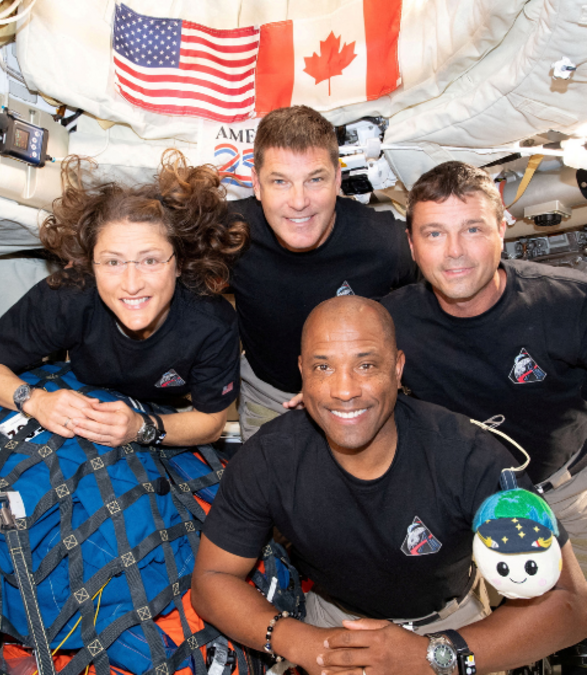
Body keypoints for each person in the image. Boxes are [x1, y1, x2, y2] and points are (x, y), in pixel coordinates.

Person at [192, 295, 587, 673]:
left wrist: (435, 656)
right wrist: (298, 641)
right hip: (332, 627)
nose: (344, 390)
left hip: (455, 626)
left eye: (366, 366)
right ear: (302, 372)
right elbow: (212, 580)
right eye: (323, 367)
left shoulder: (470, 456)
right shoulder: (268, 458)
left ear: (398, 369)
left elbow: (571, 604)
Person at [383, 161, 587, 669]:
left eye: (472, 229)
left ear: (502, 228)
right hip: (465, 508)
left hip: (566, 492)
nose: (454, 252)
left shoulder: (567, 303)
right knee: (498, 644)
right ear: (412, 245)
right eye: (434, 233)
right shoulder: (387, 321)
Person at [0, 149, 244, 448]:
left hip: (162, 415)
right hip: (79, 394)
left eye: (150, 261)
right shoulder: (67, 296)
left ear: (179, 264)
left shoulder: (212, 323)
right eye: (113, 262)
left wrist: (141, 427)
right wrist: (34, 401)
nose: (131, 284)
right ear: (91, 266)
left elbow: (210, 422)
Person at [228, 106, 415, 440]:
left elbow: (444, 304)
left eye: (315, 179)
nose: (299, 201)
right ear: (256, 185)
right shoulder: (229, 234)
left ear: (338, 180)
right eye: (280, 181)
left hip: (358, 399)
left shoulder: (384, 243)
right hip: (270, 397)